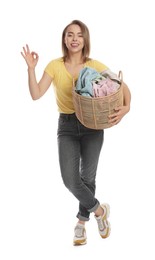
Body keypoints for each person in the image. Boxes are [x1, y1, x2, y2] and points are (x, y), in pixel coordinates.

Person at [21, 19, 131, 246]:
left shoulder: (94, 64)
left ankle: (81, 223)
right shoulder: (54, 65)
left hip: (93, 126)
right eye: (70, 34)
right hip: (67, 127)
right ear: (64, 39)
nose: (74, 39)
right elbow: (36, 94)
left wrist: (126, 108)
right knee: (71, 180)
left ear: (85, 40)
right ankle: (100, 211)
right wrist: (31, 70)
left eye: (79, 35)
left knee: (88, 178)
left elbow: (122, 85)